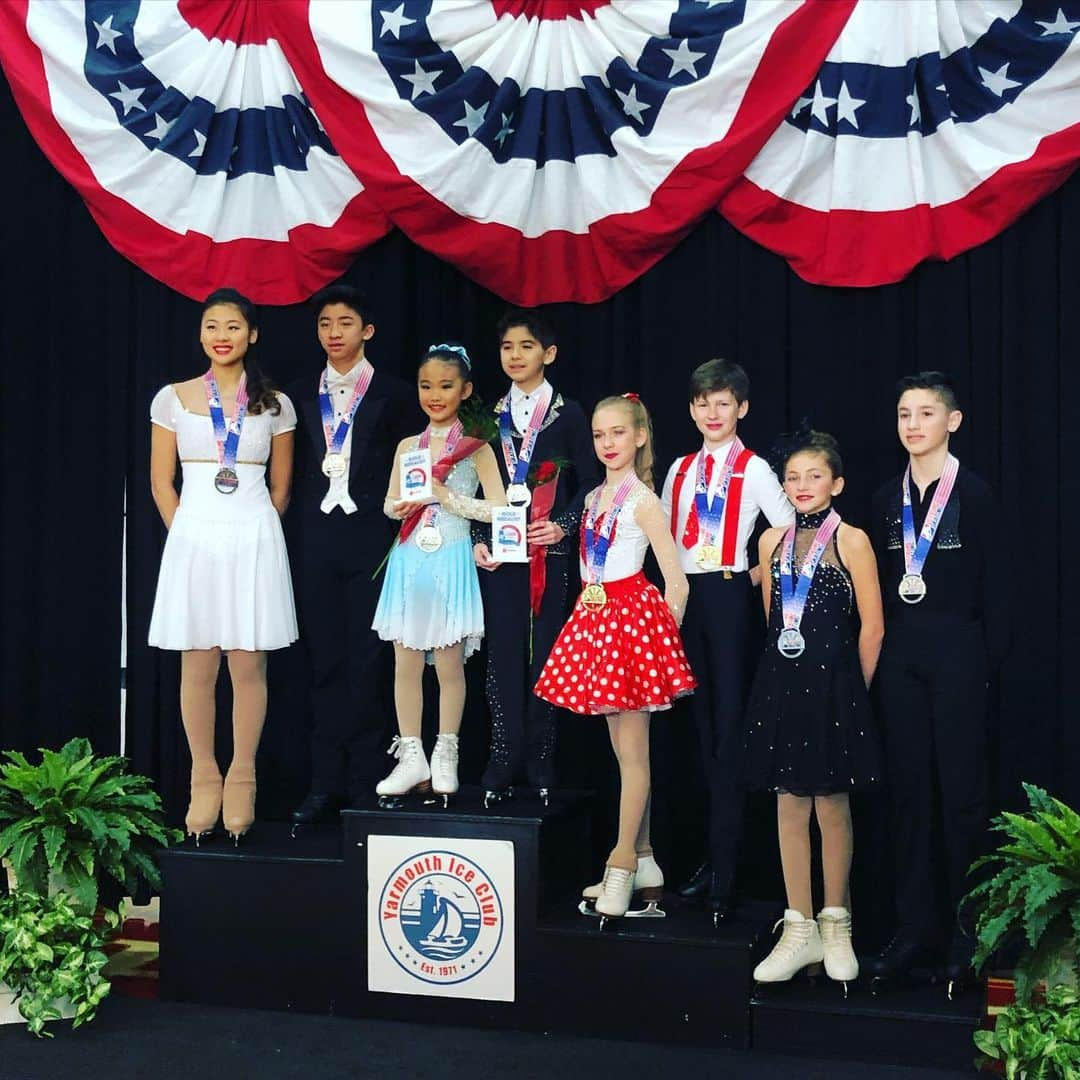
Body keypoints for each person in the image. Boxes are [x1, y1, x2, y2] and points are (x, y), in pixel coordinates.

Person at [867, 373, 1009, 995]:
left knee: (962, 800)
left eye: (926, 413)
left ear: (953, 421)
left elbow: (1001, 590)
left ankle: (968, 934)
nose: (913, 424)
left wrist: (985, 666)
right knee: (908, 797)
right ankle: (913, 929)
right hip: (902, 655)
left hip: (960, 653)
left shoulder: (975, 495)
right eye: (904, 413)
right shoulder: (881, 499)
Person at [534, 394, 695, 920]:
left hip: (631, 623)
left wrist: (657, 639)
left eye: (618, 434)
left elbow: (676, 582)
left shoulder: (644, 500)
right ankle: (645, 858)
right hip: (596, 619)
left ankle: (621, 863)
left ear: (640, 436)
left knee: (633, 756)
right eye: (600, 435)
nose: (607, 444)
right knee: (622, 756)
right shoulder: (591, 499)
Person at [149, 288, 297, 843]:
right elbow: (162, 481)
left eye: (233, 326)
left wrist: (255, 528)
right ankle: (203, 776)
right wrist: (185, 533)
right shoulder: (174, 398)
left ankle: (243, 775)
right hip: (194, 537)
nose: (221, 335)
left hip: (253, 535)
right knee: (198, 663)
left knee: (247, 662)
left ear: (252, 334)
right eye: (212, 325)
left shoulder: (276, 403)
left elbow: (282, 487)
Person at [744, 430, 883, 991]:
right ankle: (797, 926)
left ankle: (836, 922)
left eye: (814, 476)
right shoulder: (770, 543)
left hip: (836, 689)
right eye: (793, 477)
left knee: (832, 804)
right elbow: (773, 621)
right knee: (788, 804)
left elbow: (872, 627)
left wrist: (855, 693)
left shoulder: (851, 540)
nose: (802, 486)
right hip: (782, 685)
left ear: (837, 483)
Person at [660, 359, 793, 921]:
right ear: (691, 410)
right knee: (699, 731)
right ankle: (710, 860)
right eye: (701, 404)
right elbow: (662, 533)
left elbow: (790, 526)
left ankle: (729, 871)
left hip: (730, 597)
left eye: (723, 403)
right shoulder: (680, 468)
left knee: (731, 733)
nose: (712, 413)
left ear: (741, 408)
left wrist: (757, 572)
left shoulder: (756, 468)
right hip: (686, 598)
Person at [287, 285, 420, 827]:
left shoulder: (397, 393)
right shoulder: (295, 395)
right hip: (315, 542)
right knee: (323, 665)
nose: (333, 332)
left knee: (370, 662)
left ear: (367, 331)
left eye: (345, 322)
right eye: (324, 323)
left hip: (374, 542)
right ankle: (323, 785)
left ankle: (367, 783)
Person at [473, 309, 599, 806]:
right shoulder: (486, 415)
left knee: (545, 655)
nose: (515, 356)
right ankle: (503, 756)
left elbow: (589, 483)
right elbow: (476, 485)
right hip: (500, 557)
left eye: (526, 347)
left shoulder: (568, 414)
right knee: (502, 657)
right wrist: (478, 537)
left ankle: (543, 759)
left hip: (551, 552)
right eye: (507, 347)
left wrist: (563, 525)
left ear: (548, 354)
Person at [372, 344, 506, 804]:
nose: (435, 394)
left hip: (450, 556)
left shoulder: (476, 446)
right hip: (411, 559)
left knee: (448, 664)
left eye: (446, 386)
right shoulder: (408, 446)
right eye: (426, 385)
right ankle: (412, 755)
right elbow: (389, 503)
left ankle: (446, 749)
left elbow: (499, 508)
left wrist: (446, 498)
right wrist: (402, 506)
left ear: (465, 390)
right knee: (404, 663)